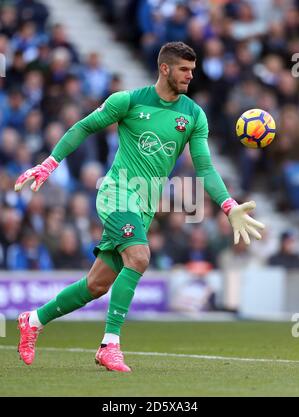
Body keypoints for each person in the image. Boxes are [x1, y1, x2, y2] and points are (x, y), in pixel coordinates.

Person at [15, 42, 265, 372]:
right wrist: (49, 163)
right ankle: (110, 345)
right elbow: (83, 127)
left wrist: (229, 205)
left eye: (193, 70)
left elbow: (204, 167)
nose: (191, 76)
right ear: (165, 69)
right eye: (184, 70)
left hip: (144, 205)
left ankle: (34, 319)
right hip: (117, 193)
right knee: (140, 256)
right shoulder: (129, 101)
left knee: (97, 285)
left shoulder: (193, 114)